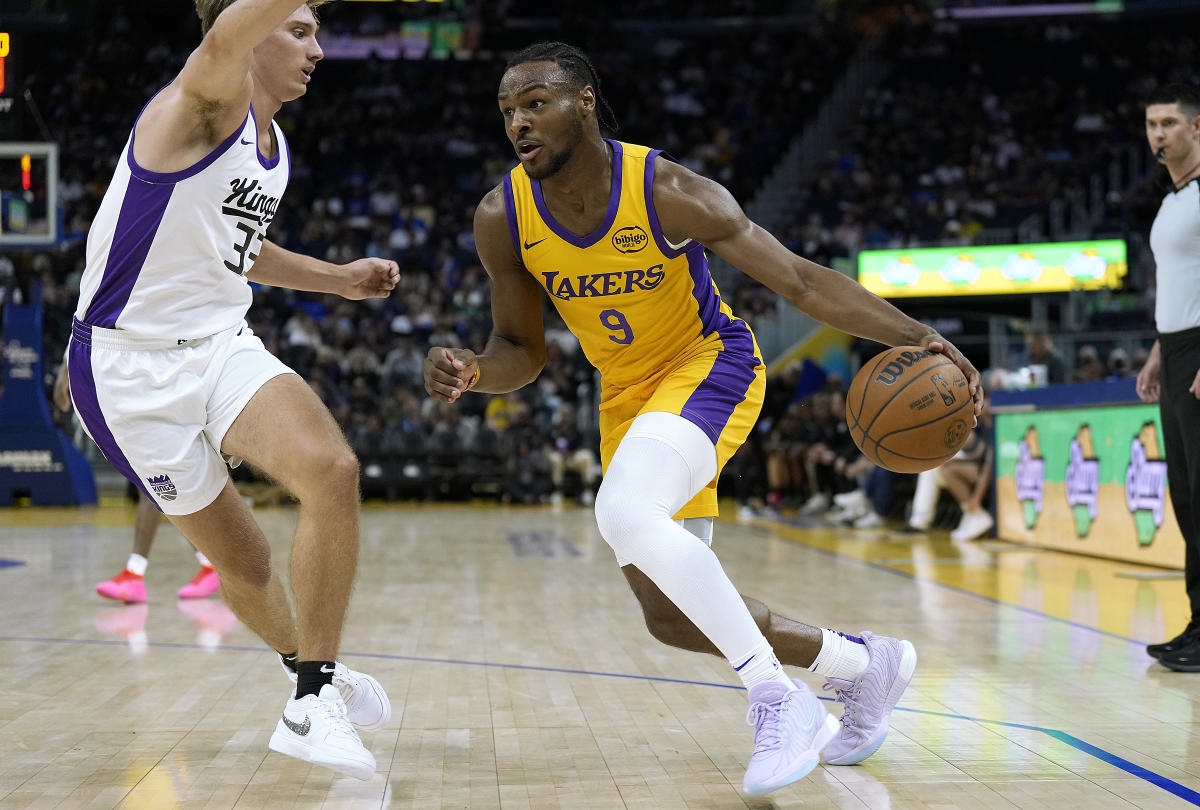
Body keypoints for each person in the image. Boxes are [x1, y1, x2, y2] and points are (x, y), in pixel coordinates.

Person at [424, 42, 982, 796]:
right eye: (507, 111)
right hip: (626, 396)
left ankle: (778, 699)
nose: (518, 123)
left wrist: (913, 335)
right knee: (669, 614)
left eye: (535, 103)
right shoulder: (503, 216)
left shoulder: (670, 190)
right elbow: (521, 349)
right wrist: (474, 371)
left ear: (584, 102)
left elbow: (800, 281)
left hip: (709, 364)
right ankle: (859, 664)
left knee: (622, 509)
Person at [64, 0, 395, 779]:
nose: (318, 47)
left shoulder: (271, 146)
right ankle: (306, 671)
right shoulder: (202, 103)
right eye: (301, 29)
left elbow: (237, 251)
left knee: (333, 470)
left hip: (217, 344)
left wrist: (339, 281)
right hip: (126, 370)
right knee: (243, 561)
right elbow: (220, 33)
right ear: (253, 32)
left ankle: (312, 696)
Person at [54, 368, 220, 603]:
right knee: (163, 488)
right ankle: (212, 566)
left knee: (157, 486)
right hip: (147, 387)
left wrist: (67, 367)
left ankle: (138, 572)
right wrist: (67, 367)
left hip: (170, 382)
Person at [1138, 83, 1200, 672]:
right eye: (1152, 124)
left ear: (1197, 129)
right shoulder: (1173, 200)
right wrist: (1160, 352)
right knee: (1186, 497)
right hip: (1178, 350)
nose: (1159, 133)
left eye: (1170, 123)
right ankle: (1197, 623)